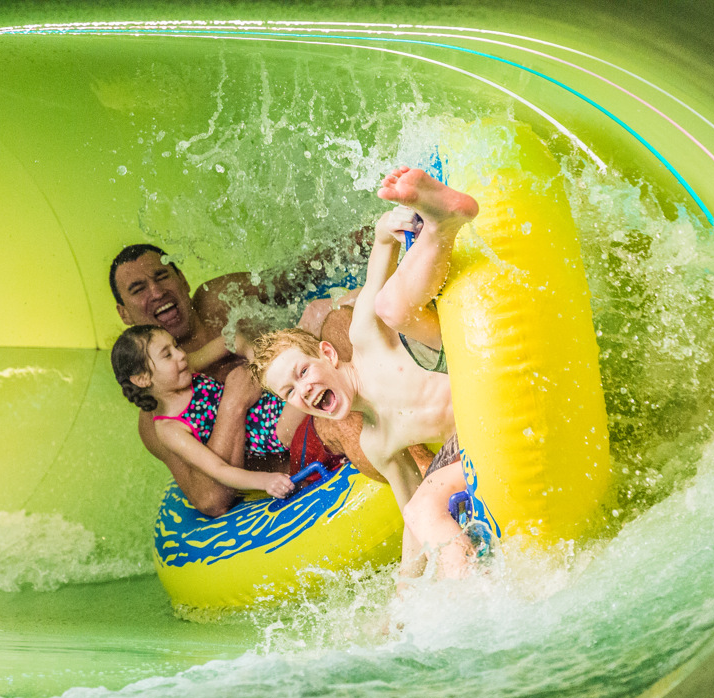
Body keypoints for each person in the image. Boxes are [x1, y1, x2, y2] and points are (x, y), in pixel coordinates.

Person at [250, 168, 480, 579]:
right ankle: (472, 599)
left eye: (303, 372)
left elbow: (378, 268)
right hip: (470, 441)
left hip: (467, 368)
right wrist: (403, 596)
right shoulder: (376, 442)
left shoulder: (364, 340)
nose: (303, 390)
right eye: (289, 392)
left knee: (389, 307)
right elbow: (413, 513)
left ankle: (441, 221)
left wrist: (384, 229)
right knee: (423, 509)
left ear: (327, 354)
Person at [109, 240, 367, 516]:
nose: (157, 291)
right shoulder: (156, 420)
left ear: (182, 279)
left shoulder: (218, 301)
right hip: (297, 442)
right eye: (138, 289)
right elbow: (211, 499)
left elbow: (292, 277)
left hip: (315, 389)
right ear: (124, 312)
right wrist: (234, 402)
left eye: (162, 276)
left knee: (332, 321)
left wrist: (354, 241)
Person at [111, 324, 305, 501]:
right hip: (274, 431)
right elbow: (218, 469)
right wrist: (265, 481)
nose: (181, 355)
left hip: (273, 398)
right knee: (311, 382)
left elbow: (230, 337)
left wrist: (252, 353)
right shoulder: (169, 428)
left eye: (176, 346)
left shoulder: (186, 369)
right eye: (167, 355)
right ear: (143, 379)